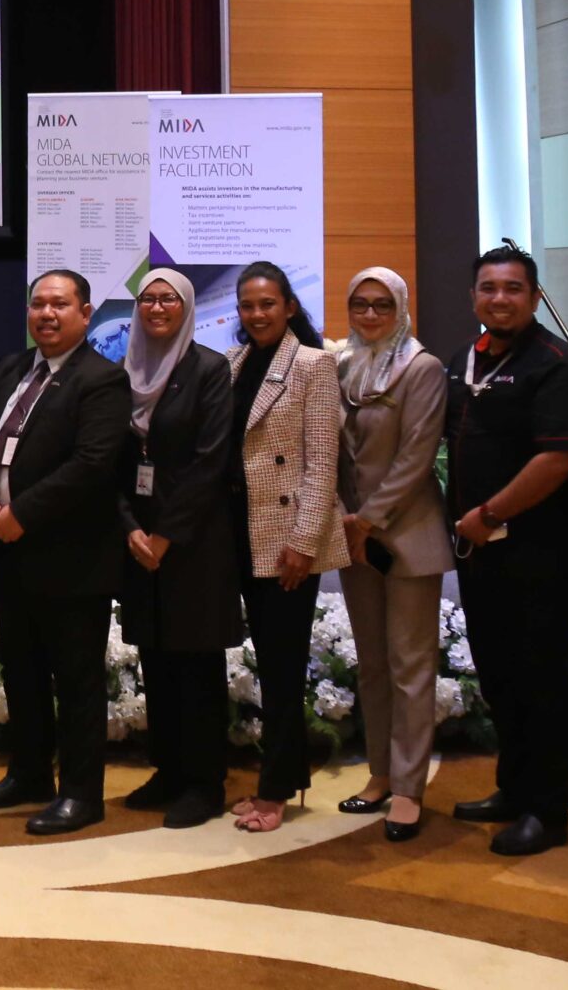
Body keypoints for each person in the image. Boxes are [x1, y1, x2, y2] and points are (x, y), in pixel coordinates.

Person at [0, 269, 130, 836]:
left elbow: (92, 464)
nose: (46, 314)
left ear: (85, 314)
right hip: (9, 552)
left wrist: (23, 514)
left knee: (76, 680)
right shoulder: (13, 368)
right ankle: (29, 773)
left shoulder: (103, 378)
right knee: (23, 672)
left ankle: (82, 794)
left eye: (60, 304)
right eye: (38, 304)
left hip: (72, 557)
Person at [444, 245, 568, 855]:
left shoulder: (558, 366)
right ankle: (514, 788)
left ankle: (548, 811)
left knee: (544, 681)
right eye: (488, 288)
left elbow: (557, 459)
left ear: (533, 296)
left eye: (512, 288)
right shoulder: (465, 359)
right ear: (473, 296)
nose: (499, 298)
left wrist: (489, 515)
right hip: (482, 555)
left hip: (540, 555)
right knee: (500, 677)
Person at [113, 268, 241, 831]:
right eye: (149, 298)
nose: (158, 307)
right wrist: (129, 528)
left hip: (194, 543)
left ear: (187, 307)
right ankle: (167, 771)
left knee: (196, 662)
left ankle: (204, 782)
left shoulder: (209, 369)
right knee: (156, 658)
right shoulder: (123, 373)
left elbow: (211, 460)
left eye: (169, 299)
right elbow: (112, 462)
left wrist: (165, 534)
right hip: (138, 541)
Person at [225, 260, 344, 833]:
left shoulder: (314, 364)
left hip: (285, 539)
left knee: (283, 668)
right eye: (248, 305)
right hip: (239, 532)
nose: (257, 314)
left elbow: (322, 463)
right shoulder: (234, 361)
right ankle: (280, 777)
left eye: (267, 304)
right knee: (270, 662)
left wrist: (304, 541)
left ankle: (275, 792)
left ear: (290, 307)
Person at [331, 266, 448, 844]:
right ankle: (380, 774)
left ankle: (408, 789)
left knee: (409, 666)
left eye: (382, 304)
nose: (371, 314)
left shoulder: (421, 368)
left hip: (405, 536)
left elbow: (416, 457)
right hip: (354, 539)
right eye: (361, 304)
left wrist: (368, 519)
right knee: (373, 663)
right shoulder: (342, 366)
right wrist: (342, 518)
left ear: (400, 308)